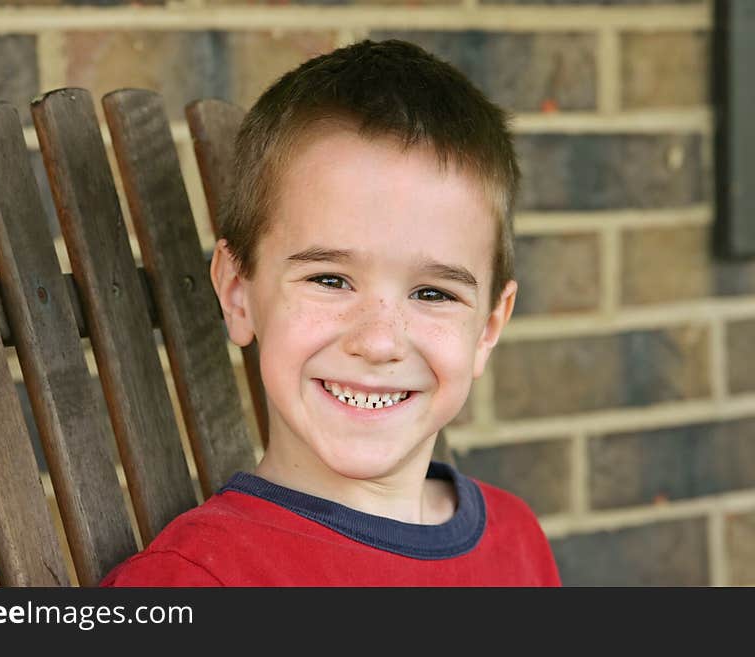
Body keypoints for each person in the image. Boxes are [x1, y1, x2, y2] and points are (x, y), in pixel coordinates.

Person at [102, 38, 560, 586]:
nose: (379, 341)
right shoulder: (200, 580)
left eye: (433, 293)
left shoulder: (515, 539)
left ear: (488, 327)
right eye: (330, 279)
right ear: (237, 292)